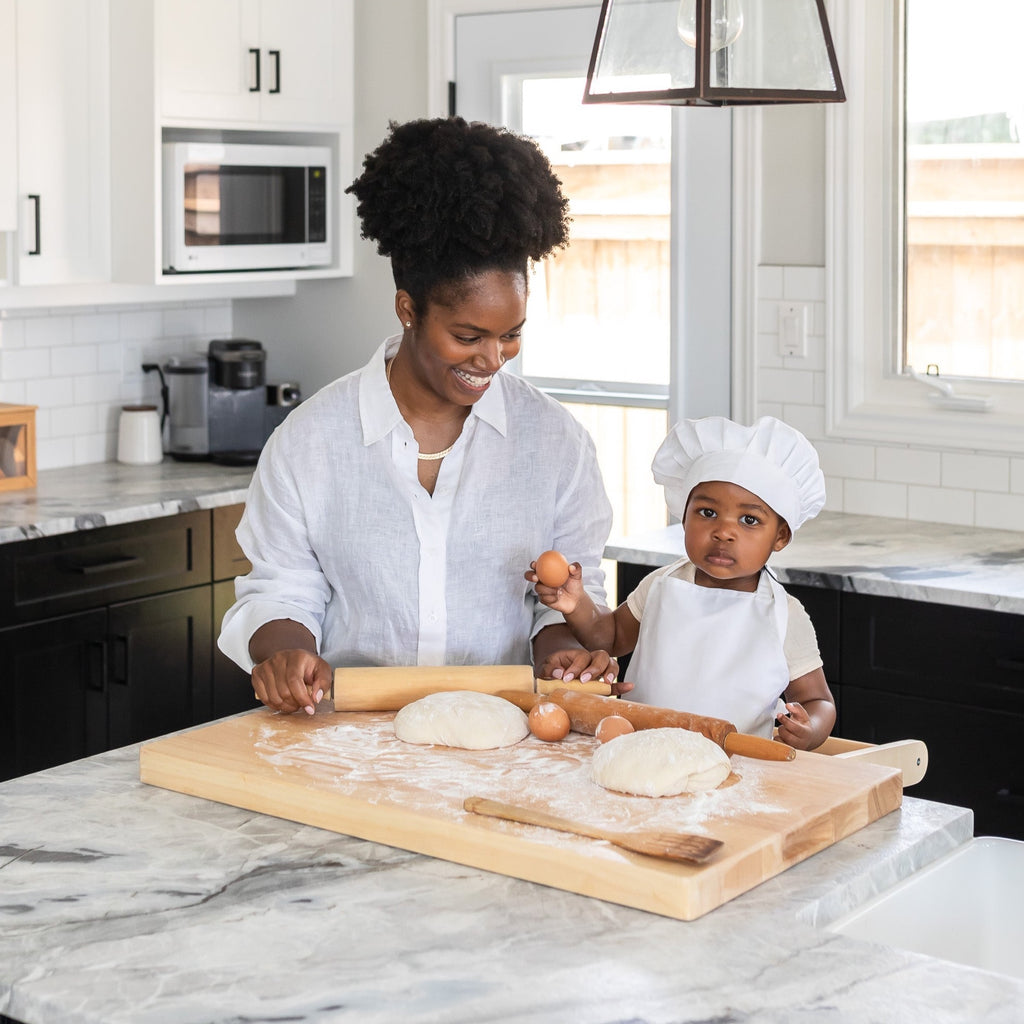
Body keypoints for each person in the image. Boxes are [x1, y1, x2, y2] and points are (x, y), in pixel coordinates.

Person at [219, 116, 618, 715]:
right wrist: (283, 652)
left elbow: (557, 603)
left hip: (506, 735)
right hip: (348, 740)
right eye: (467, 336)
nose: (492, 359)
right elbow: (281, 588)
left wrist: (560, 651)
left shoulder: (557, 444)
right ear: (408, 308)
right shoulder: (310, 442)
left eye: (511, 335)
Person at [527, 416, 836, 750]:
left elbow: (818, 700)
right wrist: (576, 604)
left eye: (749, 520)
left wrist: (810, 728)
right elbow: (610, 637)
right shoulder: (662, 584)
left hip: (736, 768)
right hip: (641, 750)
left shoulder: (784, 615)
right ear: (683, 515)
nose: (723, 531)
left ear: (780, 536)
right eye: (707, 513)